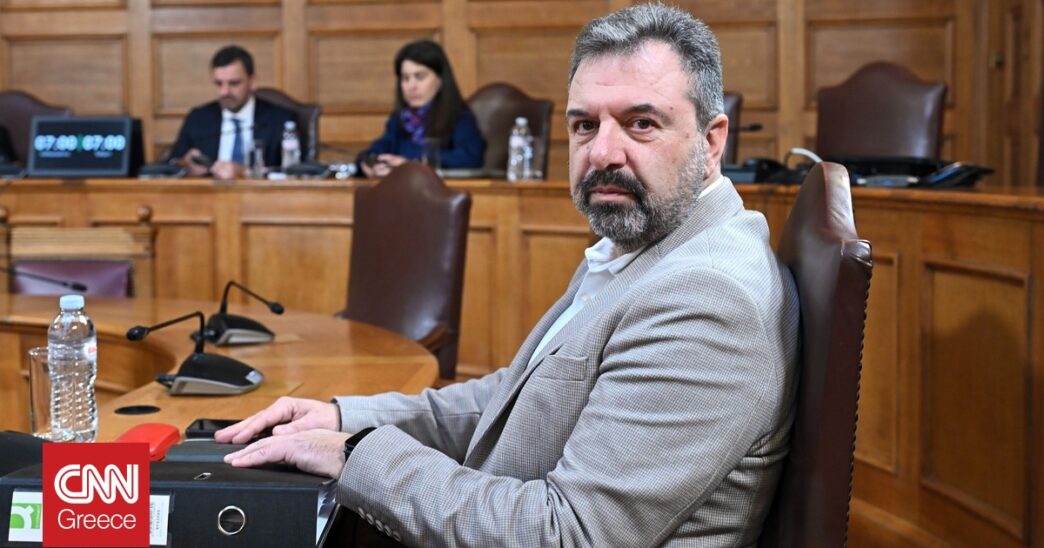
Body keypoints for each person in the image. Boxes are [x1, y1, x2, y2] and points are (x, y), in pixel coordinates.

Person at [218, 4, 799, 546]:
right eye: (584, 125)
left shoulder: (705, 298)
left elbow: (566, 534)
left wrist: (356, 454)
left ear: (712, 142)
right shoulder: (649, 245)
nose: (602, 152)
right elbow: (520, 399)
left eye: (641, 123)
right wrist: (344, 418)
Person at [357, 40, 485, 178]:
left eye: (420, 77)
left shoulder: (459, 116)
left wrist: (413, 164)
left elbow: (470, 158)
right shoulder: (399, 118)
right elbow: (378, 149)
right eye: (405, 78)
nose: (411, 86)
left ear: (440, 80)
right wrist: (369, 162)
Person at [168, 45, 295, 180]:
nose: (224, 92)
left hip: (261, 193)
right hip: (209, 192)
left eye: (234, 83)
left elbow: (294, 172)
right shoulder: (198, 118)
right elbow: (170, 165)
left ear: (252, 81)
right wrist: (185, 164)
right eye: (219, 84)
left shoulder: (280, 120)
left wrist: (245, 172)